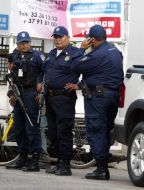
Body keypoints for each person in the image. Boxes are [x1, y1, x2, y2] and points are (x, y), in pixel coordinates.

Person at [65, 25, 124, 180]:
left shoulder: (97, 55)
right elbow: (100, 74)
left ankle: (101, 169)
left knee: (96, 131)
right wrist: (79, 85)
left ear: (91, 39)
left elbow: (74, 65)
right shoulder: (116, 52)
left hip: (98, 98)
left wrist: (81, 49)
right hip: (112, 96)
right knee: (104, 130)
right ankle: (103, 166)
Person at [44, 26, 82, 176]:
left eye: (61, 37)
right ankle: (59, 162)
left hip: (64, 98)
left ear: (68, 38)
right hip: (50, 97)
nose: (58, 40)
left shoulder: (75, 53)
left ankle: (65, 165)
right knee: (53, 132)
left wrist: (78, 85)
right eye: (56, 37)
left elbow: (88, 69)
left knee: (64, 132)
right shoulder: (52, 54)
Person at [5, 31, 44, 172]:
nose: (24, 45)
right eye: (22, 43)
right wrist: (11, 94)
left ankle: (34, 160)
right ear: (17, 44)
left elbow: (45, 72)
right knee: (19, 128)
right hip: (18, 94)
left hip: (31, 94)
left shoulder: (37, 56)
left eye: (26, 42)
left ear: (30, 43)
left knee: (32, 128)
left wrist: (41, 85)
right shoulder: (14, 57)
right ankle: (22, 158)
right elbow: (12, 77)